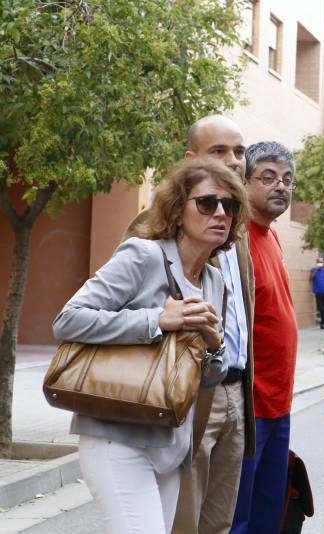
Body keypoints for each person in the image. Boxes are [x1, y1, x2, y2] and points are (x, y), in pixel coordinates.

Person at [52, 157, 249, 534]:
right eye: (207, 203)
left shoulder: (213, 280)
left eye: (231, 206)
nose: (221, 213)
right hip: (119, 436)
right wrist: (156, 319)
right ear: (177, 210)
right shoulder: (143, 256)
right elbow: (68, 319)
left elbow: (209, 377)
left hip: (171, 445)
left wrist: (213, 345)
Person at [141, 115, 255, 534]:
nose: (233, 161)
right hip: (186, 394)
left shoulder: (236, 232)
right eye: (219, 151)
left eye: (239, 151)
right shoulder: (152, 229)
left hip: (235, 393)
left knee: (219, 523)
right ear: (191, 160)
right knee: (183, 522)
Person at [232, 141, 299, 534]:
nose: (281, 187)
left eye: (288, 180)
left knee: (270, 514)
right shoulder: (236, 241)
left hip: (279, 403)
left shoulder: (272, 237)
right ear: (245, 181)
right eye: (269, 178)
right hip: (249, 406)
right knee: (240, 516)